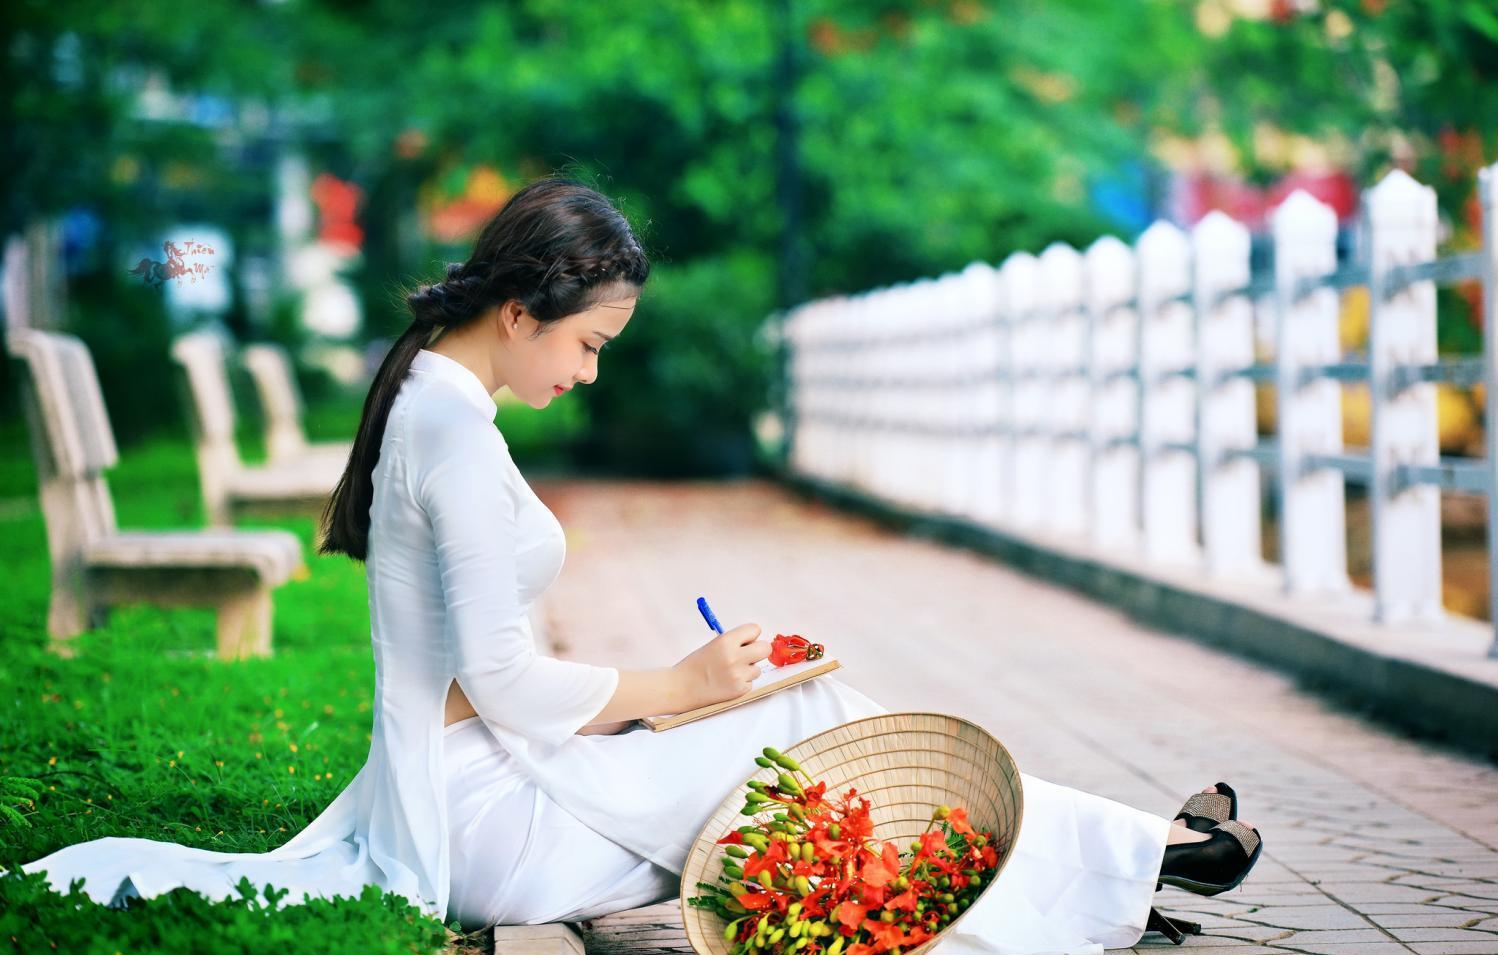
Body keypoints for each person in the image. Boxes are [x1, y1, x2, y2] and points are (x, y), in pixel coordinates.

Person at [20, 176, 1262, 953]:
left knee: (804, 728)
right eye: (591, 342)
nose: (593, 370)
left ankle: (1113, 870)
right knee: (800, 728)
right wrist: (683, 688)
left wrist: (683, 696)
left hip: (498, 777)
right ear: (521, 311)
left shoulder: (440, 397)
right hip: (476, 820)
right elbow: (501, 681)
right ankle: (1125, 862)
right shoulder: (446, 423)